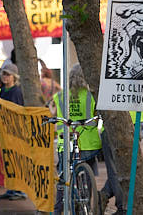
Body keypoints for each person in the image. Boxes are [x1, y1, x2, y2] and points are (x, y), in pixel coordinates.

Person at [51, 63, 102, 214]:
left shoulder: (59, 96)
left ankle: (58, 209)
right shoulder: (91, 95)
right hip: (88, 143)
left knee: (63, 178)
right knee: (87, 178)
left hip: (66, 141)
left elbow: (56, 115)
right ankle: (85, 206)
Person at [0, 63, 26, 200]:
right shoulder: (2, 91)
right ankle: (10, 188)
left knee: (15, 160)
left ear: (14, 76)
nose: (5, 77)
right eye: (3, 74)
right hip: (4, 130)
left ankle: (19, 190)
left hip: (14, 131)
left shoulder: (17, 92)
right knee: (7, 160)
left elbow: (18, 111)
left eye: (7, 74)